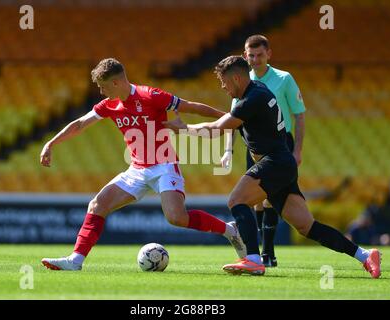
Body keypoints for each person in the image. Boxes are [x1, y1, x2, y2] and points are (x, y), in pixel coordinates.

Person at [163, 55, 381, 278]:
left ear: (236, 78)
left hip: (273, 162)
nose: (222, 87)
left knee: (236, 201)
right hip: (281, 164)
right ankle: (365, 255)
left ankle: (253, 260)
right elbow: (229, 121)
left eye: (224, 81)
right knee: (307, 227)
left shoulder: (252, 98)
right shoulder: (257, 90)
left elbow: (218, 128)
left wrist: (184, 129)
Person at [40, 58, 246, 271]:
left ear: (116, 83)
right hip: (137, 169)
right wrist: (51, 143)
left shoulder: (151, 96)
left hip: (164, 165)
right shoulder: (108, 105)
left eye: (103, 87)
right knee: (97, 205)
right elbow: (80, 123)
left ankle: (230, 230)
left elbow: (192, 107)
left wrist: (230, 118)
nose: (101, 92)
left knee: (177, 218)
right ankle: (75, 260)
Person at [221, 35, 306, 267]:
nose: (256, 59)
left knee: (269, 199)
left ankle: (267, 251)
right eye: (251, 55)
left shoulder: (283, 78)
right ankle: (258, 252)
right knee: (256, 200)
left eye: (260, 55)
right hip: (254, 145)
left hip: (281, 144)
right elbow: (233, 120)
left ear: (269, 54)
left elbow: (299, 115)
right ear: (245, 55)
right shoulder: (240, 81)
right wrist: (228, 150)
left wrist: (297, 150)